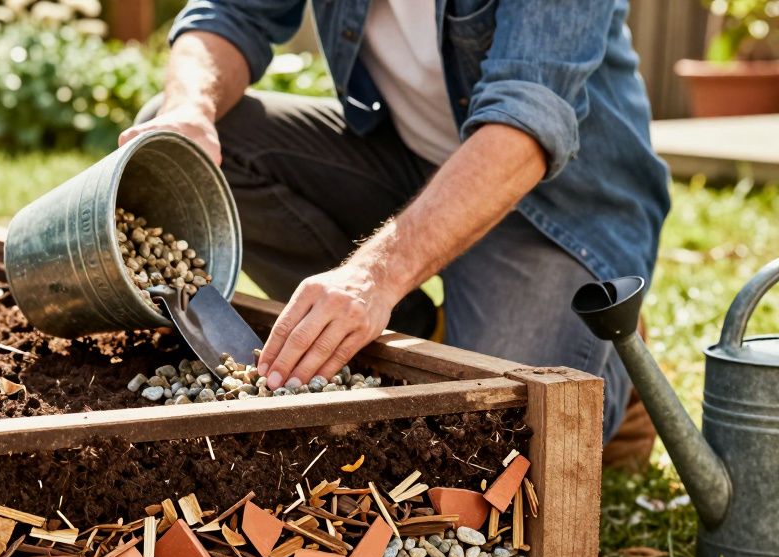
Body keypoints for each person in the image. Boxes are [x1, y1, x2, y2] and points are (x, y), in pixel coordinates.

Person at [120, 0, 670, 445]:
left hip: (549, 203)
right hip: (411, 163)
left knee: (499, 442)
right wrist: (187, 109)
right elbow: (229, 14)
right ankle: (420, 329)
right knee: (178, 148)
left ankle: (616, 358)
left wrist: (373, 276)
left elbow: (528, 121)